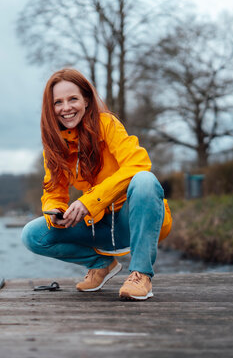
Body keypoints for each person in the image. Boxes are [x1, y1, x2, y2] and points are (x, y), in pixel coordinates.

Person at [21, 68, 172, 301]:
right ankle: (101, 264)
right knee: (32, 235)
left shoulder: (107, 123)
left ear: (87, 101)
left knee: (145, 180)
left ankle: (141, 274)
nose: (66, 108)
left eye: (73, 99)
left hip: (131, 222)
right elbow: (53, 192)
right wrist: (57, 213)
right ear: (50, 109)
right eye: (58, 102)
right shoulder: (54, 145)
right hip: (97, 226)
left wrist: (89, 202)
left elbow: (138, 164)